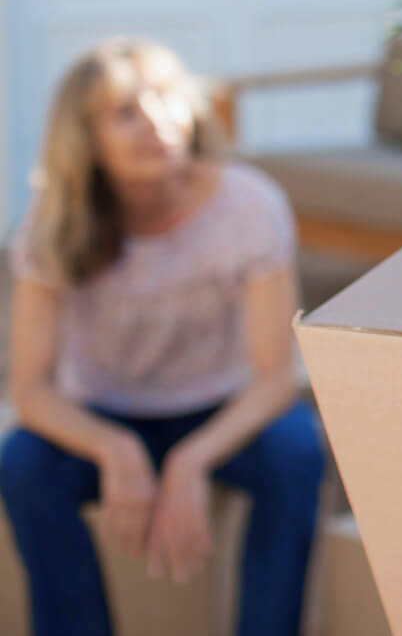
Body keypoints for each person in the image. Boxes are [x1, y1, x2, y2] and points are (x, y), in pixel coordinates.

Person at [2, 38, 324, 636]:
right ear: (84, 140)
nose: (155, 121)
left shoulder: (249, 205)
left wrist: (190, 460)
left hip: (221, 412)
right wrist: (113, 448)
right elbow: (31, 391)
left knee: (298, 451)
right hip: (103, 411)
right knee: (21, 465)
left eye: (165, 99)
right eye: (125, 112)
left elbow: (276, 378)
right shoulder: (52, 222)